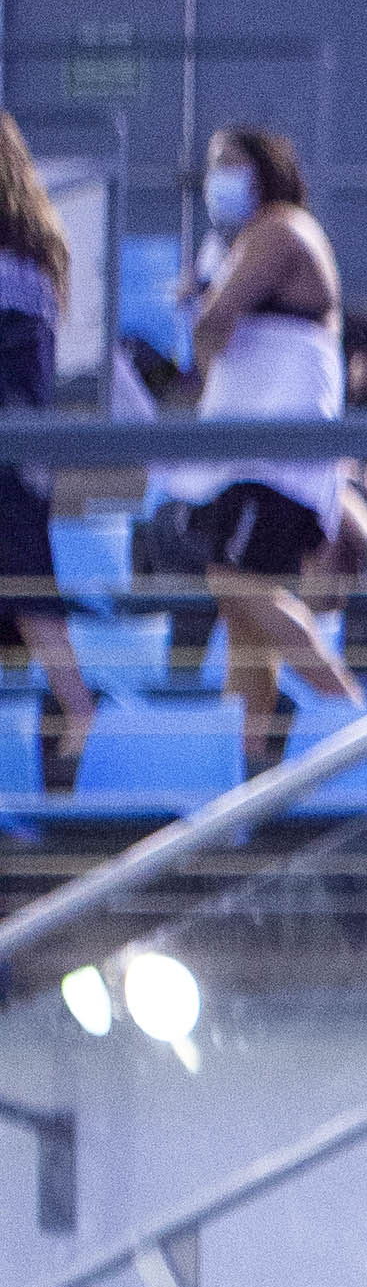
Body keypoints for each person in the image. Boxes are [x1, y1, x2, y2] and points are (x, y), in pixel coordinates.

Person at [170, 124, 363, 767]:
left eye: (230, 163)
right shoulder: (239, 243)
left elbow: (215, 327)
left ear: (262, 170)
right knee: (241, 621)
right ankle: (246, 772)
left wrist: (200, 308)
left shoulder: (283, 229)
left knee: (233, 581)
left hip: (280, 454)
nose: (216, 177)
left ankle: (357, 720)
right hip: (247, 452)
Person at [0, 117, 99, 788]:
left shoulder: (12, 266)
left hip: (10, 454)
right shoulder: (31, 254)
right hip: (23, 453)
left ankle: (80, 710)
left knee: (28, 588)